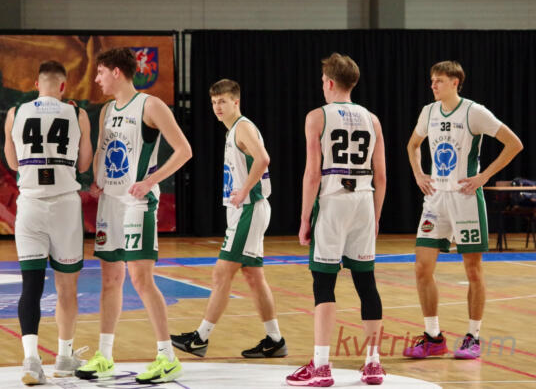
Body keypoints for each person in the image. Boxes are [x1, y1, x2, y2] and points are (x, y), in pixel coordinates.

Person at [74, 48, 192, 384]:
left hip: (137, 203)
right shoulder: (107, 110)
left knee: (141, 279)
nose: (96, 79)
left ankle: (167, 357)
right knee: (110, 280)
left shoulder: (150, 105)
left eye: (100, 72)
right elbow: (102, 149)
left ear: (116, 72)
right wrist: (98, 180)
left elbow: (184, 150)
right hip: (110, 203)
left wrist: (151, 181)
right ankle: (104, 356)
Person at [405, 60, 523, 359]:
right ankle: (433, 337)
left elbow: (514, 143)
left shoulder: (474, 112)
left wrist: (484, 176)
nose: (433, 85)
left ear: (455, 82)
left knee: (472, 269)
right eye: (432, 80)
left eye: (439, 80)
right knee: (422, 267)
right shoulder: (428, 112)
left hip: (465, 198)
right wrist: (418, 174)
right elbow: (413, 145)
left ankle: (473, 337)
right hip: (435, 199)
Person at [286, 53, 387, 387]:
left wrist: (304, 218)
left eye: (322, 81)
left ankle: (321, 366)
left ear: (329, 82)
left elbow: (312, 174)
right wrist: (376, 216)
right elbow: (381, 176)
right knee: (366, 283)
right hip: (364, 200)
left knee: (324, 285)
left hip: (333, 200)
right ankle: (373, 363)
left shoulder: (317, 116)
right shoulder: (373, 119)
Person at [170, 79, 287, 359]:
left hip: (249, 208)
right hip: (245, 209)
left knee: (221, 273)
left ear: (236, 101)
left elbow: (263, 159)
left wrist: (244, 189)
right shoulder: (233, 130)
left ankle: (200, 338)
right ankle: (275, 340)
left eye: (222, 101)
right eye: (213, 102)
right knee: (254, 276)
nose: (217, 107)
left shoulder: (242, 127)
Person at [4, 60, 93, 385]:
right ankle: (65, 357)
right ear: (63, 86)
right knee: (67, 287)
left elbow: (12, 162)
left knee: (31, 286)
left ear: (36, 85)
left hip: (30, 205)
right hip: (65, 206)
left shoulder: (15, 112)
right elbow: (84, 164)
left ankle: (31, 360)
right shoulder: (77, 113)